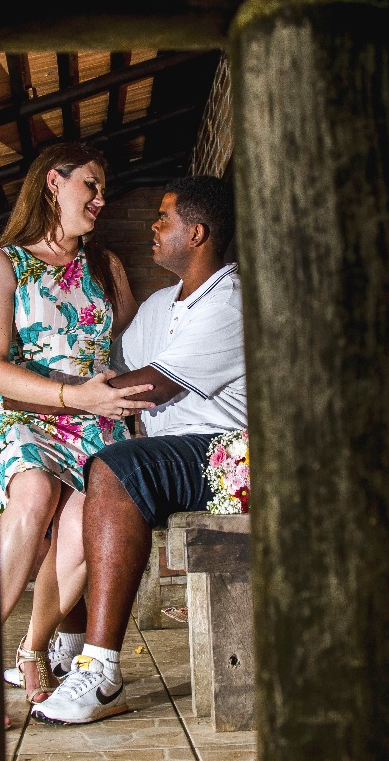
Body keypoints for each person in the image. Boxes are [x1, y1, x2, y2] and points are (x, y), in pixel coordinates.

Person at [33, 174, 247, 725]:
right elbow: (107, 372)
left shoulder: (230, 301)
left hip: (231, 457)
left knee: (117, 466)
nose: (154, 227)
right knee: (61, 474)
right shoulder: (158, 305)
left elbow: (150, 387)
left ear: (196, 234)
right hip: (179, 454)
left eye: (164, 218)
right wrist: (44, 391)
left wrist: (55, 400)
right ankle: (70, 640)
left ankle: (101, 671)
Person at [0, 141, 154, 720]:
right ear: (53, 183)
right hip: (28, 412)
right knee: (34, 494)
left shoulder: (107, 267)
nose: (101, 197)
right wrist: (71, 394)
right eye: (92, 184)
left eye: (103, 187)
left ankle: (33, 648)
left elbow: (126, 334)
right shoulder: (5, 263)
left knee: (90, 520)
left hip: (97, 421)